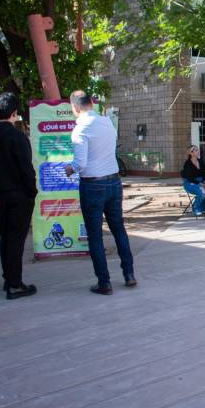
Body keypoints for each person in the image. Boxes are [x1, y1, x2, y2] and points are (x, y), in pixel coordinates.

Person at [64, 90, 135, 295]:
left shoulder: (80, 129)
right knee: (119, 229)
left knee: (95, 235)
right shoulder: (107, 123)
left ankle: (104, 283)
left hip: (92, 185)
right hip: (114, 182)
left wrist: (69, 169)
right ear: (91, 104)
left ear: (75, 107)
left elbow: (80, 163)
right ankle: (129, 274)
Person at [0, 94, 40, 299]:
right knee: (16, 239)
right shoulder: (16, 137)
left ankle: (9, 277)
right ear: (14, 113)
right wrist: (32, 192)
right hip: (19, 195)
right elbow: (26, 169)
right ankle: (15, 285)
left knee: (6, 236)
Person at [180, 145, 205, 215]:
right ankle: (195, 208)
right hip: (190, 183)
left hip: (201, 182)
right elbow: (189, 178)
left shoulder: (200, 161)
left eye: (198, 150)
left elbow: (204, 173)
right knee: (203, 192)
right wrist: (200, 184)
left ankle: (203, 208)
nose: (198, 151)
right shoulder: (188, 163)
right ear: (191, 153)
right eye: (196, 150)